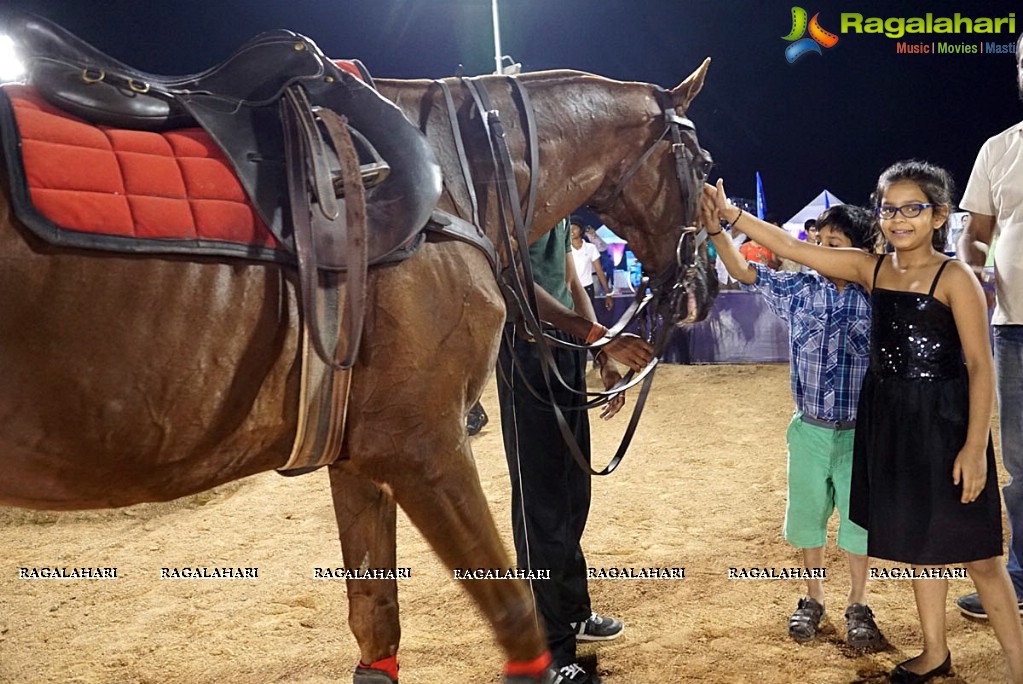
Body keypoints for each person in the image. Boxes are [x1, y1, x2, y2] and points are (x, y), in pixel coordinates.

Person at [703, 161, 1023, 684]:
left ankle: (1019, 666)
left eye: (913, 209)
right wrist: (730, 215)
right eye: (890, 209)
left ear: (939, 215)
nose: (899, 219)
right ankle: (935, 652)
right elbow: (791, 249)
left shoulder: (954, 276)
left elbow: (980, 364)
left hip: (944, 424)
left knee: (982, 556)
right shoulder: (870, 269)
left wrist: (972, 448)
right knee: (922, 552)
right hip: (892, 424)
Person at [704, 203, 882, 650]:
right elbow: (745, 271)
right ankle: (813, 596)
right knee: (807, 519)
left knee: (859, 524)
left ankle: (859, 603)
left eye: (834, 245)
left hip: (864, 433)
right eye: (819, 243)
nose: (820, 253)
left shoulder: (879, 295)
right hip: (808, 430)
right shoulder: (800, 288)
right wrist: (716, 231)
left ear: (859, 250)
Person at [497, 217, 654, 684]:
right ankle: (546, 644)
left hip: (564, 346)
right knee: (540, 507)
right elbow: (517, 287)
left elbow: (571, 282)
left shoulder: (559, 209)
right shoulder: (511, 205)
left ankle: (572, 613)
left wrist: (600, 353)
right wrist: (598, 337)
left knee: (572, 495)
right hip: (525, 351)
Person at [955, 31, 1023, 622]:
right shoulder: (999, 149)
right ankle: (1022, 573)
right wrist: (973, 267)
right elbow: (975, 231)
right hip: (1014, 325)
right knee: (1022, 460)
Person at [569, 219, 614, 310]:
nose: (571, 231)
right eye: (569, 228)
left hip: (587, 287)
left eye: (575, 228)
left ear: (581, 230)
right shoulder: (565, 248)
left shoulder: (590, 248)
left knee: (588, 317)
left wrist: (608, 293)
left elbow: (599, 271)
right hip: (570, 289)